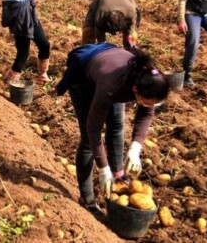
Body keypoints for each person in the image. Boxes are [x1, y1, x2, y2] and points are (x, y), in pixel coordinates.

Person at [56, 43, 170, 213]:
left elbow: (146, 113)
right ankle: (87, 199)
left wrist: (135, 147)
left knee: (117, 124)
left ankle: (118, 175)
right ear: (135, 91)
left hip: (110, 71)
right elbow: (93, 128)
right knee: (88, 141)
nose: (150, 106)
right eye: (147, 101)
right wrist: (103, 169)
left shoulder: (150, 79)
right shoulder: (112, 85)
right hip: (83, 77)